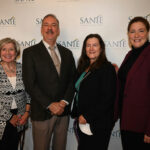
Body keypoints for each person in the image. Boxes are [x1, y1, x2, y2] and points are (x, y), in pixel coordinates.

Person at [22, 14, 76, 150]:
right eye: (46, 25)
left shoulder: (67, 53)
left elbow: (72, 80)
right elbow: (29, 83)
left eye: (53, 25)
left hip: (63, 112)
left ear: (58, 30)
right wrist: (49, 104)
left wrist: (63, 102)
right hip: (42, 111)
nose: (50, 28)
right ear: (41, 29)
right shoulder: (30, 52)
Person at [71, 34, 117, 150]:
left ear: (101, 48)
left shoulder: (107, 68)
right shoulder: (83, 67)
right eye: (88, 45)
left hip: (97, 124)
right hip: (83, 121)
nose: (91, 48)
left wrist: (87, 116)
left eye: (95, 45)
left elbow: (108, 98)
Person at [115, 16, 150, 150]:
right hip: (127, 120)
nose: (136, 35)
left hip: (142, 126)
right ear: (128, 34)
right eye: (132, 31)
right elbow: (129, 81)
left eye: (140, 31)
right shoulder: (130, 55)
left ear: (147, 32)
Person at [0, 38, 31, 150]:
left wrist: (27, 113)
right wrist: (9, 117)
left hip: (20, 117)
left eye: (11, 49)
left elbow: (29, 93)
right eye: (4, 49)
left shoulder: (23, 68)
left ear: (16, 52)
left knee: (14, 147)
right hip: (2, 118)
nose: (7, 53)